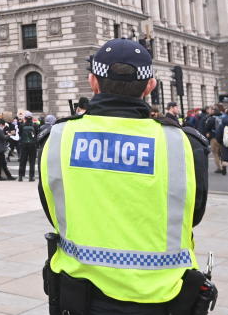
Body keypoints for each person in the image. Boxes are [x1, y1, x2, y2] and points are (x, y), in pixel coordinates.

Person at [39, 38, 209, 313]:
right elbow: (193, 213)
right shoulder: (184, 143)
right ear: (150, 85)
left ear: (93, 82)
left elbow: (53, 208)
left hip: (80, 293)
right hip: (163, 296)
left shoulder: (57, 137)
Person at [16, 113, 37, 182]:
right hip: (32, 145)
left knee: (22, 161)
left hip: (24, 144)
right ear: (32, 118)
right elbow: (36, 134)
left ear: (25, 118)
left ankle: (20, 176)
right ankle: (31, 177)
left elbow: (20, 134)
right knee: (32, 161)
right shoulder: (35, 125)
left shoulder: (22, 125)